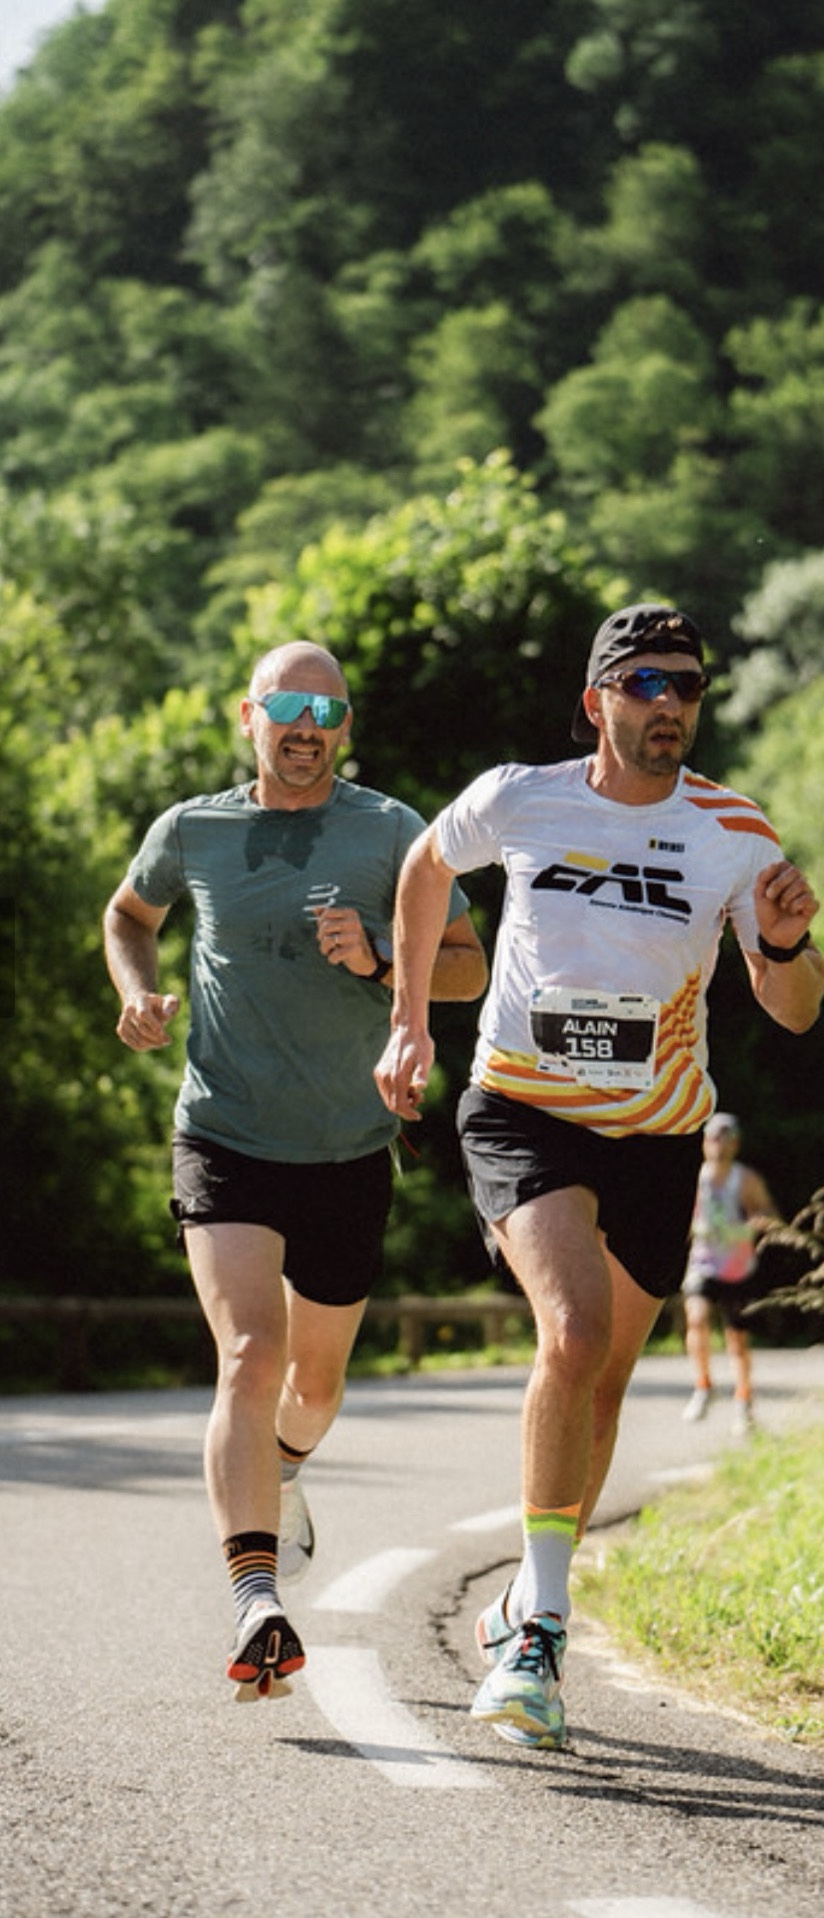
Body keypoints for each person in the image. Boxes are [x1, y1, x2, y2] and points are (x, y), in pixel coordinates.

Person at [375, 601, 824, 1752]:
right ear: (597, 701)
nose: (670, 703)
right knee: (572, 1333)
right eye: (646, 683)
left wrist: (782, 942)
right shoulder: (520, 797)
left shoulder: (733, 830)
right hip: (523, 1111)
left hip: (658, 1136)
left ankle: (526, 1593)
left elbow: (793, 1006)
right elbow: (426, 865)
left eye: (688, 685)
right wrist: (410, 1019)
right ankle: (541, 1636)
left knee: (608, 1378)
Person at [103, 641, 487, 1701]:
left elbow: (468, 966)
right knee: (248, 1353)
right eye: (289, 708)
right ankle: (255, 1597)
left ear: (345, 726)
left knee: (312, 1390)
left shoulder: (394, 833)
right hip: (223, 1132)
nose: (307, 727)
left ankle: (285, 1470)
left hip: (348, 1148)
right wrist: (135, 992)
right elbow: (128, 915)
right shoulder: (194, 829)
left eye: (327, 711)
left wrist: (378, 954)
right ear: (251, 716)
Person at [681, 1111, 780, 1434]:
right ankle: (703, 1385)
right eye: (713, 1138)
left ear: (735, 1144)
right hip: (702, 1264)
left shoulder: (745, 1179)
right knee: (696, 1319)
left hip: (738, 1269)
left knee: (737, 1339)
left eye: (725, 1139)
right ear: (704, 1142)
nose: (718, 1145)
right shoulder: (694, 1178)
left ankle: (743, 1402)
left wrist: (749, 1227)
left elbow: (769, 1214)